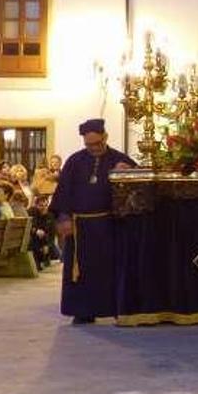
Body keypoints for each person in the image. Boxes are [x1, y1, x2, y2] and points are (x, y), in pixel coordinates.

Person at [51, 119, 137, 325]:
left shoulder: (120, 159)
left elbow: (138, 189)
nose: (94, 148)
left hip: (109, 226)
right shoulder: (74, 162)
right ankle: (83, 311)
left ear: (105, 137)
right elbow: (63, 192)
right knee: (81, 271)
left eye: (98, 143)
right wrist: (63, 218)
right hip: (80, 227)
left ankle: (116, 309)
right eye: (90, 145)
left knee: (110, 269)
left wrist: (127, 174)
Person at [28, 195, 59, 270]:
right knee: (35, 244)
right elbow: (29, 227)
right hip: (34, 239)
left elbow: (52, 233)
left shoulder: (50, 216)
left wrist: (47, 245)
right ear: (36, 205)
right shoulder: (32, 213)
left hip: (45, 240)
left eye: (45, 205)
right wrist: (36, 231)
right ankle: (38, 262)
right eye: (41, 206)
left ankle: (44, 257)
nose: (44, 208)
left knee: (56, 254)